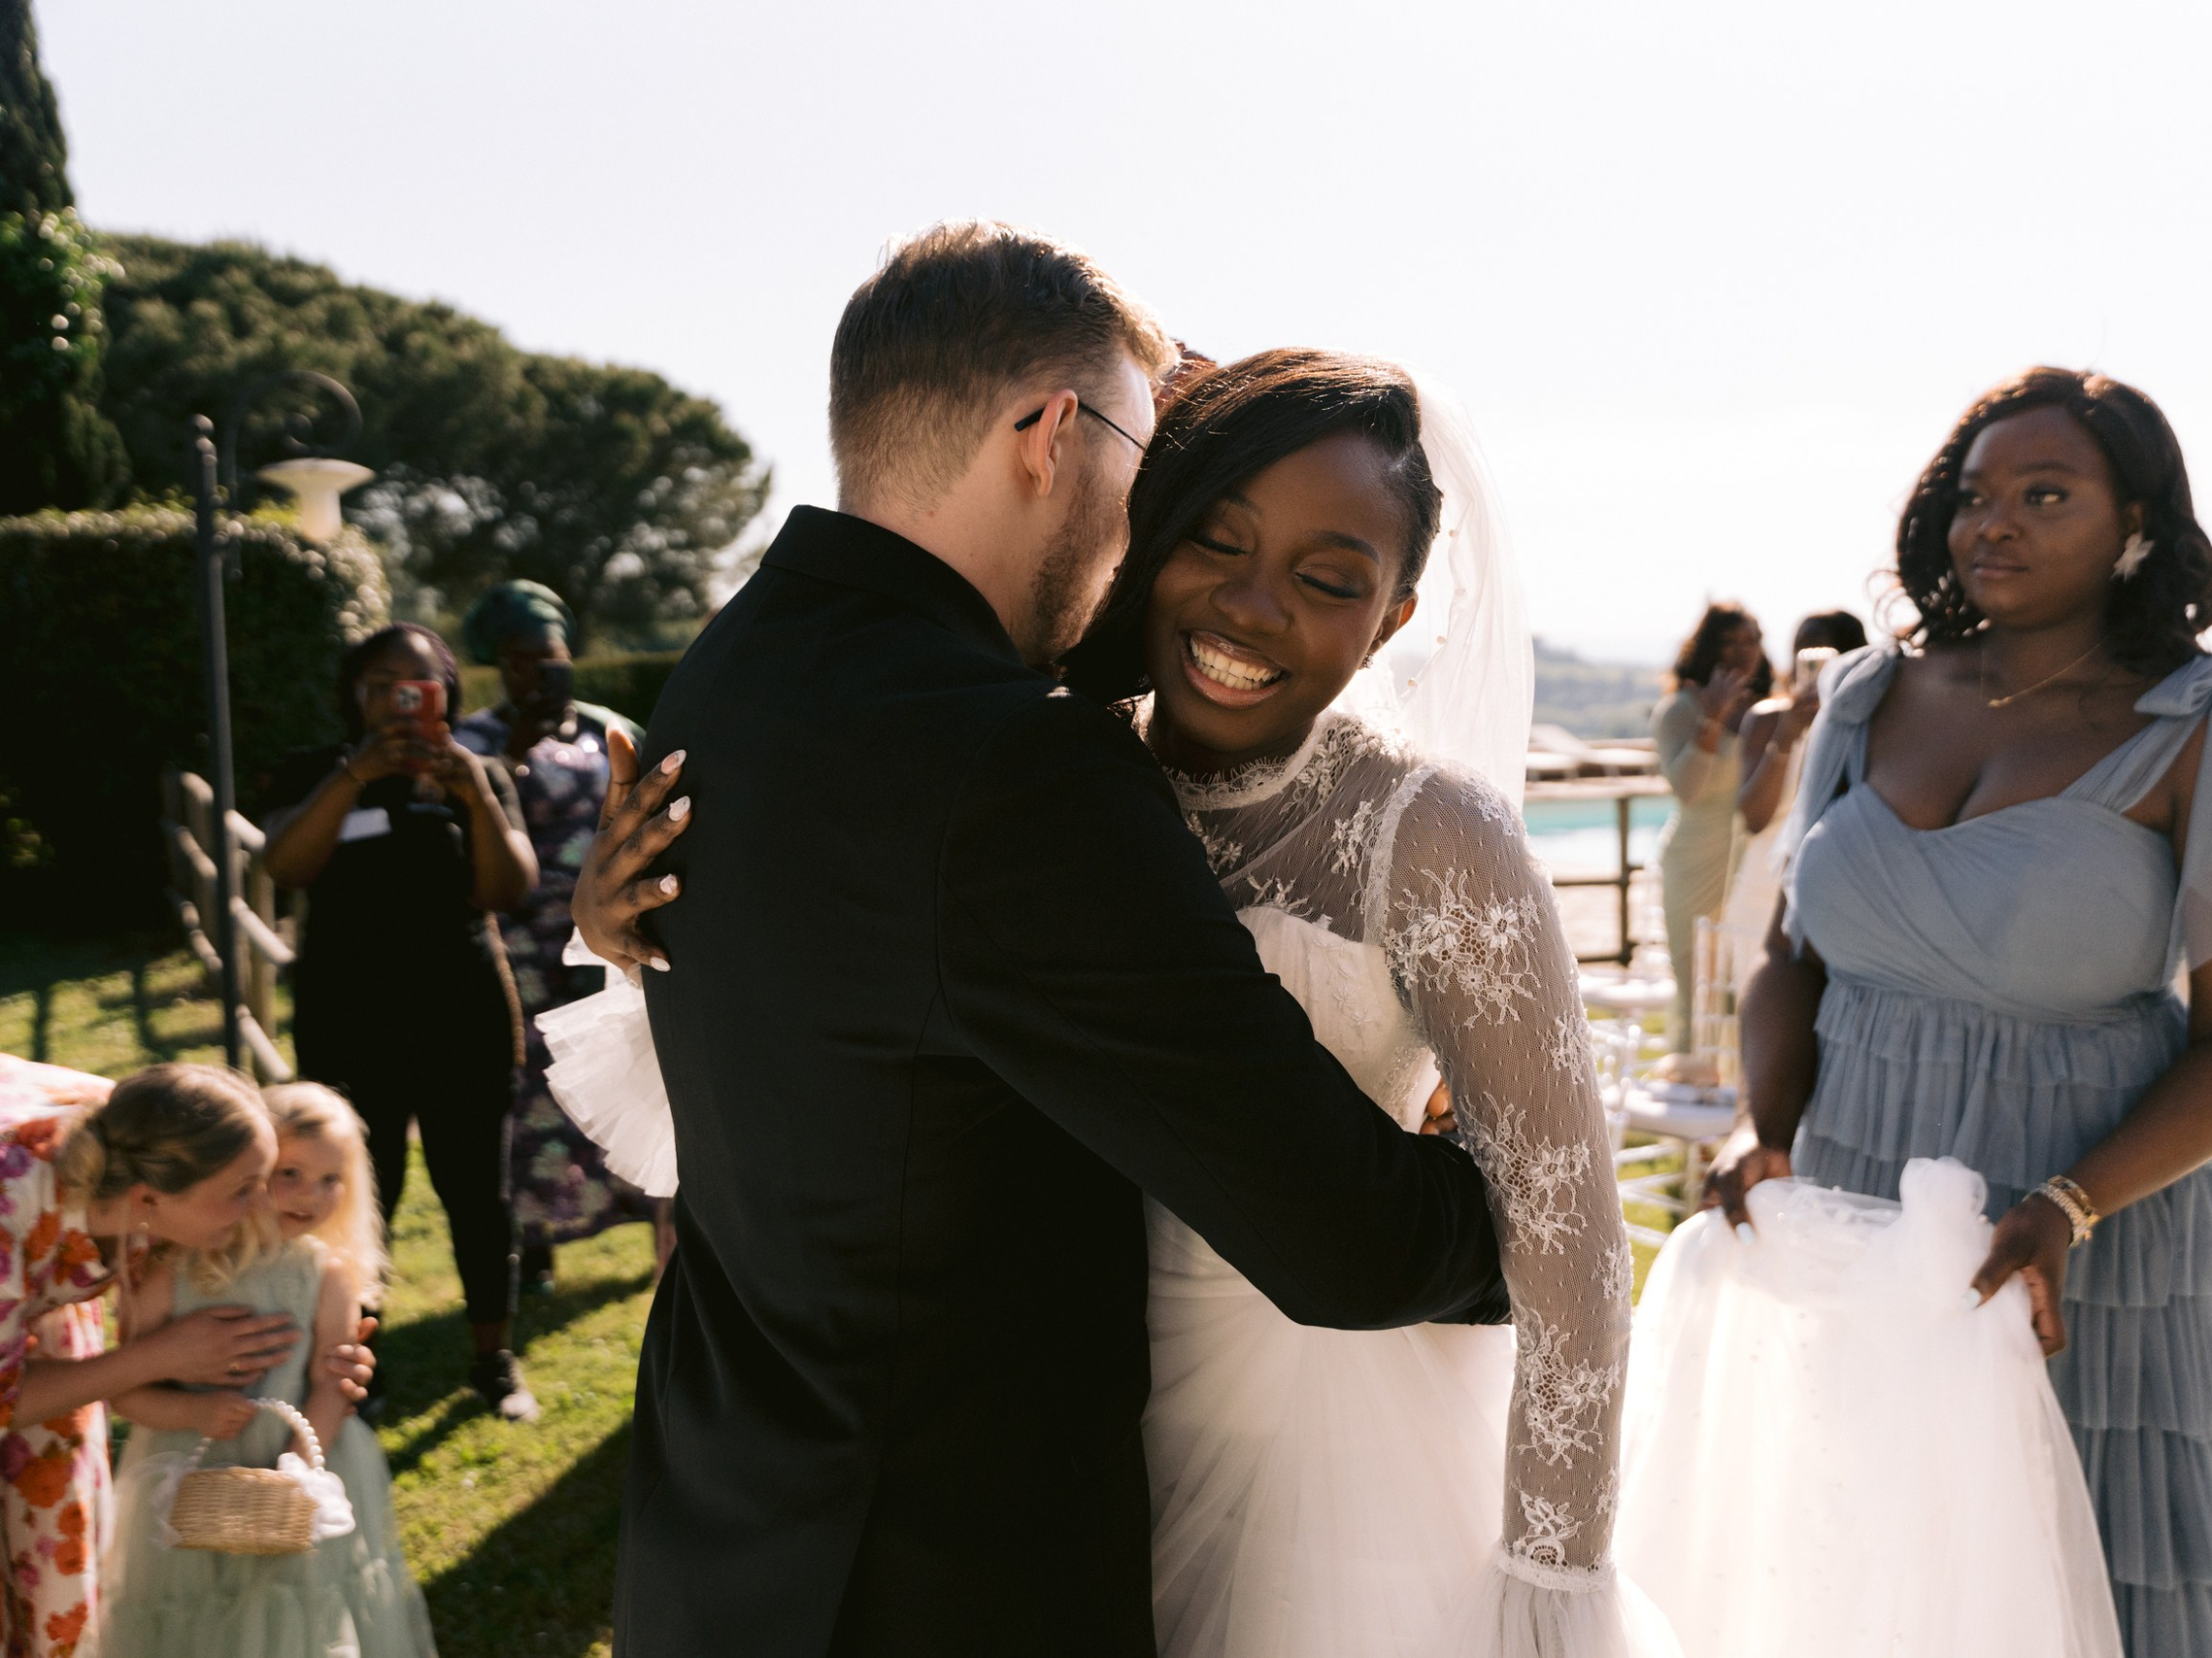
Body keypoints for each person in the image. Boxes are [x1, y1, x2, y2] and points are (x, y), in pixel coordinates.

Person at [561, 351, 1673, 1655]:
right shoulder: (1047, 767)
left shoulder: (1431, 832)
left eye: (1327, 580)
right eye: (1215, 539)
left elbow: (1575, 1243)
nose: (1251, 607)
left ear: (1395, 614)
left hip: (1336, 1460)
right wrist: (622, 928)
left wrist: (1551, 1586)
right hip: (1069, 1462)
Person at [1699, 367, 2212, 1656]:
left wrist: (2068, 1204)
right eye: (1974, 494)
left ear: (2137, 526)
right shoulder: (1872, 697)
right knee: (1870, 1567)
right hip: (1860, 1198)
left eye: (2046, 494)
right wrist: (1761, 1121)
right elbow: (1793, 957)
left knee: (2072, 1582)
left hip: (2081, 1223)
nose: (1994, 522)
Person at [260, 624, 542, 1421]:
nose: (401, 697)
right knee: (353, 1189)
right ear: (357, 693)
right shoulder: (315, 771)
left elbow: (508, 888)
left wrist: (476, 795)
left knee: (476, 1192)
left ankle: (494, 1360)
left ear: (448, 693)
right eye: (384, 683)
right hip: (349, 1015)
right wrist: (355, 776)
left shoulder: (479, 773)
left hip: (462, 1010)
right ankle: (359, 1365)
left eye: (421, 683)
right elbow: (285, 866)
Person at [0, 1061, 373, 1655]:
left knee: (49, 1566)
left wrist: (333, 1358)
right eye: (242, 1190)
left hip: (31, 1310)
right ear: (148, 1199)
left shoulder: (141, 1139)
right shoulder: (9, 1208)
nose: (262, 1206)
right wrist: (159, 1356)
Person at [102, 1081, 434, 1658]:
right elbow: (124, 1390)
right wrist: (193, 1409)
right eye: (291, 1174)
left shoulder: (326, 1276)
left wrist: (299, 1471)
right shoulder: (175, 1271)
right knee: (191, 1612)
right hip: (183, 1472)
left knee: (292, 1611)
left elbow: (334, 1384)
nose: (312, 1194)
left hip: (296, 1457)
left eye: (332, 1180)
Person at [453, 582, 655, 1291]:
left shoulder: (611, 727)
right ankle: (533, 1243)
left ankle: (641, 1225)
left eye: (550, 656)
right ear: (497, 665)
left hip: (604, 942)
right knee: (531, 1094)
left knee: (617, 1077)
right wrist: (513, 749)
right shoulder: (474, 740)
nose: (536, 671)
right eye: (518, 660)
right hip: (521, 950)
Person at [1716, 609, 1869, 988]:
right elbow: (1753, 818)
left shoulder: (1871, 723)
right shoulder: (1767, 718)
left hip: (1839, 893)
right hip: (1762, 890)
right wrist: (1785, 739)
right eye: (1804, 655)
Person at [1651, 604, 1771, 1048]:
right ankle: (1692, 1076)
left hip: (1755, 862)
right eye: (1731, 640)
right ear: (1708, 647)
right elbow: (1687, 789)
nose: (1744, 651)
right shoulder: (1678, 710)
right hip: (1694, 862)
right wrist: (1714, 719)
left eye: (1752, 639)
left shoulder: (1770, 712)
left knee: (1748, 981)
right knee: (1697, 979)